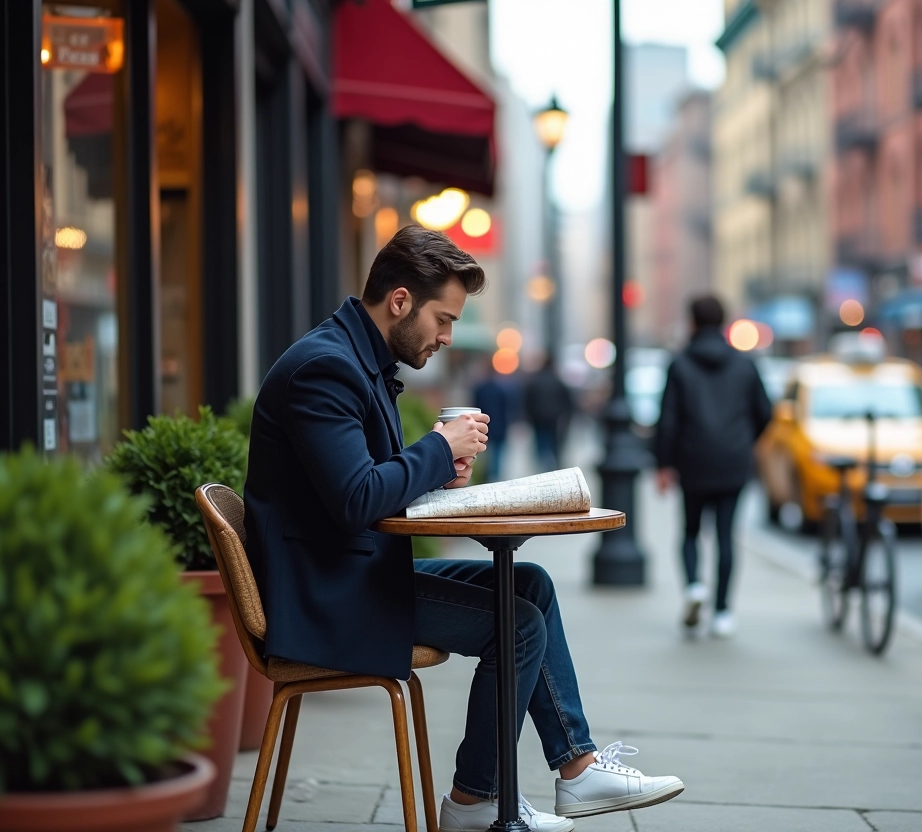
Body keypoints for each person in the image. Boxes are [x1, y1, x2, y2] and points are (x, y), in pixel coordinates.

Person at [244, 226, 683, 832]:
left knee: (527, 584)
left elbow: (366, 488)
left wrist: (437, 474)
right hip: (324, 594)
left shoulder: (354, 360)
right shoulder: (326, 370)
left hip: (347, 568)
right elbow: (355, 500)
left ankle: (577, 770)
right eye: (443, 319)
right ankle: (474, 802)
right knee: (518, 623)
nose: (447, 337)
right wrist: (434, 448)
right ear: (400, 301)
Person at [653, 295, 772, 639]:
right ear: (723, 323)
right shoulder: (745, 363)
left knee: (690, 532)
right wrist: (745, 440)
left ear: (692, 323)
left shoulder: (680, 364)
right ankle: (722, 612)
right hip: (733, 462)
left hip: (693, 461)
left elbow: (669, 420)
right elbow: (765, 412)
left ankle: (693, 587)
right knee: (726, 537)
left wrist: (663, 464)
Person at [523, 356, 574, 472]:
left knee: (540, 444)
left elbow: (527, 401)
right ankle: (554, 466)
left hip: (538, 419)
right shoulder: (558, 381)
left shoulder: (535, 381)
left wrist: (528, 417)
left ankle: (542, 466)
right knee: (554, 445)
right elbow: (568, 402)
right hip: (554, 420)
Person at [472, 362, 519, 482]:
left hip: (483, 425)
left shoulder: (480, 389)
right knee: (497, 453)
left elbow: (476, 407)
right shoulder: (501, 390)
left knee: (482, 452)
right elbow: (507, 409)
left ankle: (485, 474)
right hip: (499, 426)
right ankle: (494, 476)